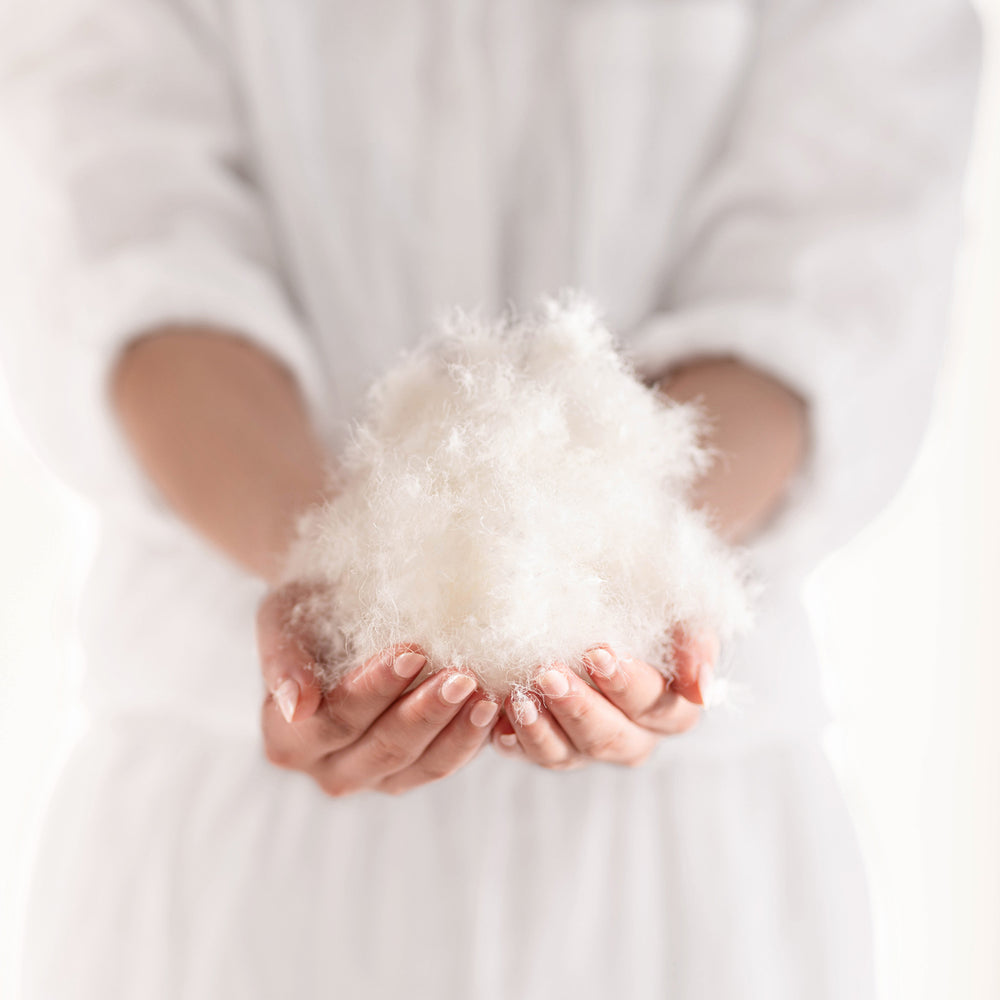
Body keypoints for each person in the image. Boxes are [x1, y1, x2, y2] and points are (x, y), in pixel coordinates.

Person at [0, 1, 979, 997]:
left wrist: (641, 575)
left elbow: (831, 265)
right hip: (224, 872)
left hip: (691, 890)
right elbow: (122, 221)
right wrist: (322, 563)